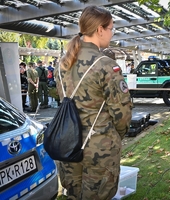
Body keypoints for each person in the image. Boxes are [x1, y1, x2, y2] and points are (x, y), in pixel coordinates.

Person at [55, 5, 132, 200]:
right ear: (100, 30)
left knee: (73, 195)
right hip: (100, 149)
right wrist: (114, 137)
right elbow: (122, 116)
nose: (112, 34)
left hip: (68, 144)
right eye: (111, 29)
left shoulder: (63, 64)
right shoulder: (106, 65)